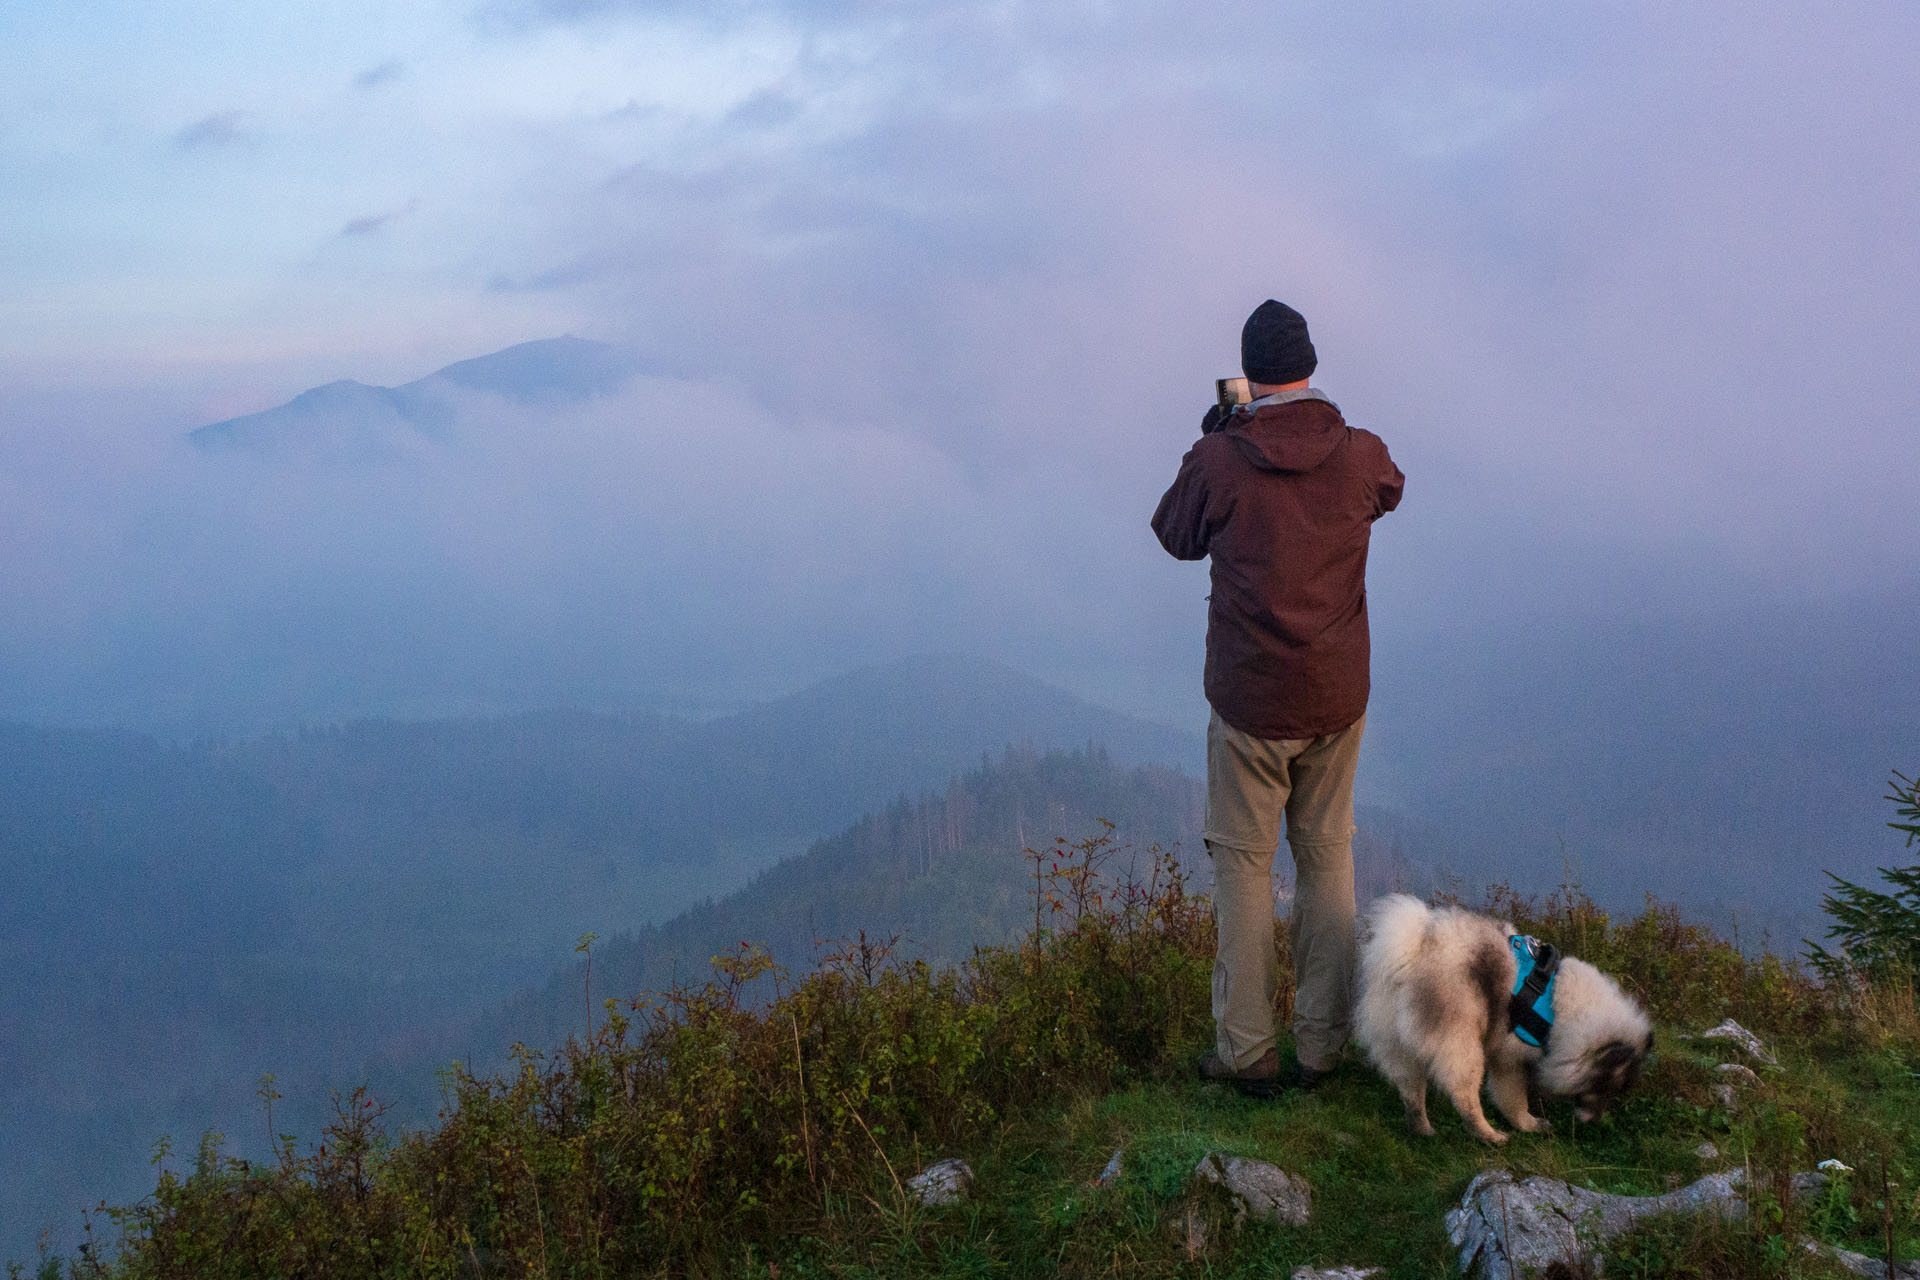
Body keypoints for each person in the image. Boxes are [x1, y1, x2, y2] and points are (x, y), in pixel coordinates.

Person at [1151, 299, 1404, 1096]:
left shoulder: (1225, 461)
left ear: (1248, 375)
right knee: (1328, 856)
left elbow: (1174, 533)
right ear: (1311, 363)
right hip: (1335, 694)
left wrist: (1218, 439)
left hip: (1251, 703)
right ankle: (1324, 1049)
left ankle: (1249, 1051)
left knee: (1245, 867)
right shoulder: (1359, 454)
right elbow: (1388, 488)